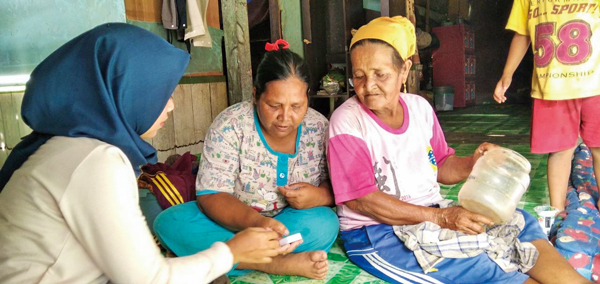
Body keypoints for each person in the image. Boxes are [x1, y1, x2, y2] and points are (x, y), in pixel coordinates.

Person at [0, 23, 287, 284]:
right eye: (163, 94)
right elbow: (148, 279)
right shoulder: (94, 160)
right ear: (129, 92)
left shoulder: (74, 146)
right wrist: (232, 252)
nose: (171, 106)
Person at [327, 16, 591, 283]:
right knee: (480, 260)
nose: (368, 85)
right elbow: (360, 199)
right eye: (358, 76)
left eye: (380, 74)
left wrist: (474, 162)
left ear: (404, 71)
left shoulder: (419, 108)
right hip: (379, 233)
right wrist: (441, 217)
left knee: (517, 223)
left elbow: (441, 166)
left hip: (432, 213)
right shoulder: (348, 121)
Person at [153, 39, 339, 280]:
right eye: (274, 105)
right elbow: (212, 194)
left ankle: (234, 260)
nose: (285, 117)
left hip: (291, 224)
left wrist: (320, 195)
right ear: (255, 95)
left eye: (296, 106)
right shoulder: (230, 125)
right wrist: (256, 223)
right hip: (235, 226)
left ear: (308, 99)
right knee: (172, 222)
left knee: (326, 222)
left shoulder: (319, 127)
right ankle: (274, 263)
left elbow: (337, 186)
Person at [494, 1, 600, 211]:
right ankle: (557, 212)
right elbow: (523, 34)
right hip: (551, 86)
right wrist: (507, 74)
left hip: (596, 84)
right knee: (560, 151)